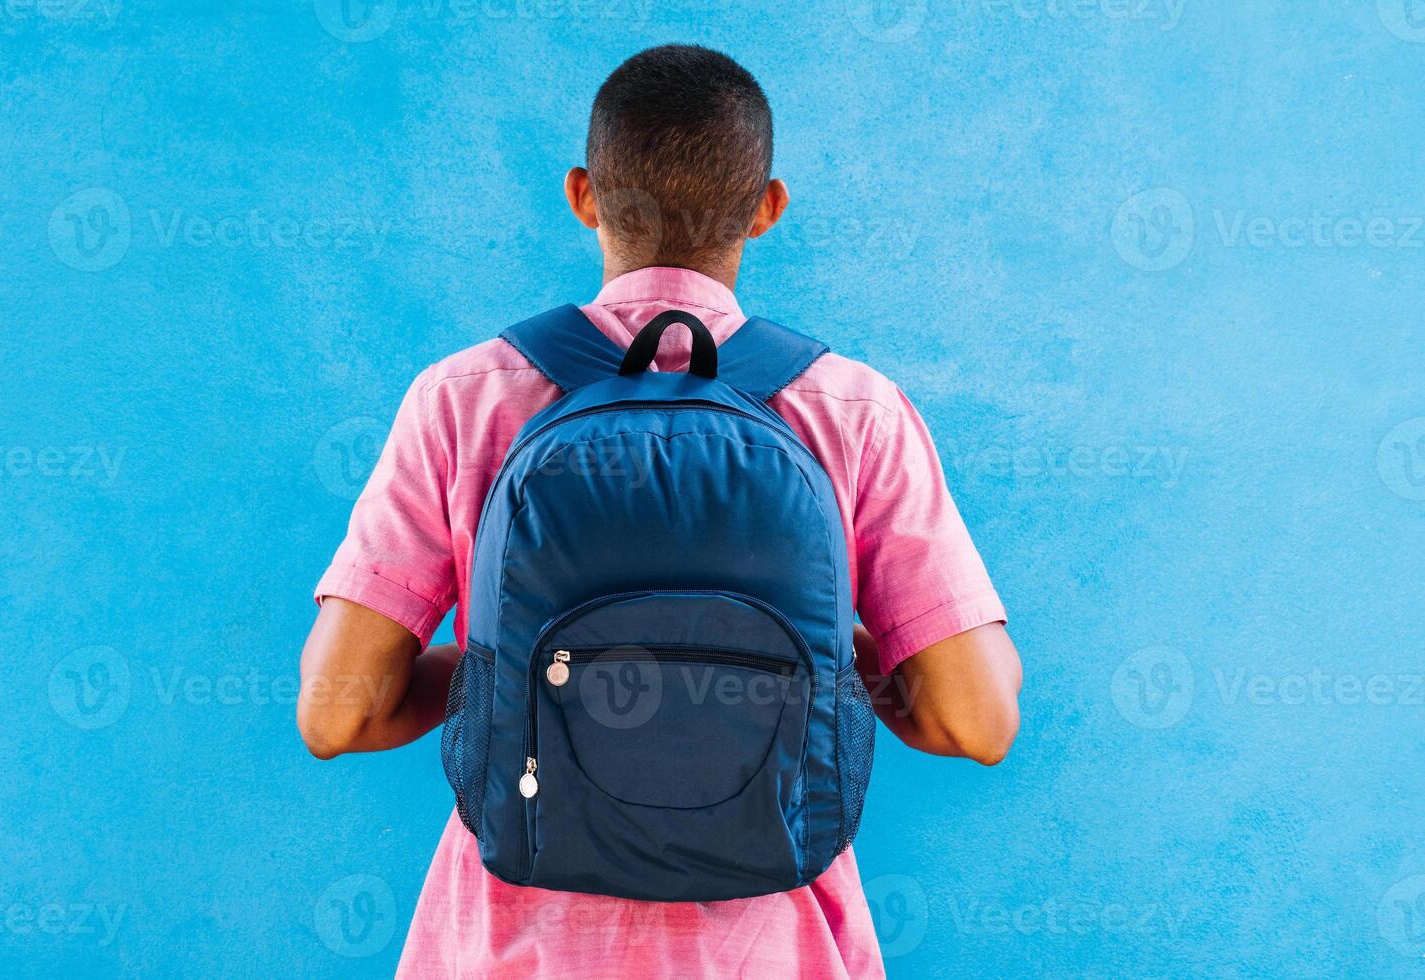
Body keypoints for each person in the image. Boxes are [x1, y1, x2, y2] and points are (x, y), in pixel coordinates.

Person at [298, 43, 1022, 979]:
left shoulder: (465, 397)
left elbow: (337, 714)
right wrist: (810, 666)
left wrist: (518, 669)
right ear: (767, 208)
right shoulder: (855, 412)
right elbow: (977, 719)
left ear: (583, 195)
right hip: (773, 948)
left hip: (510, 950)